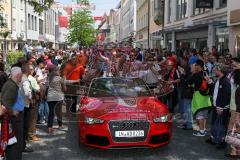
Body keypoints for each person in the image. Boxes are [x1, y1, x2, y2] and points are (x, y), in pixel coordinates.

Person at [206, 63, 231, 148]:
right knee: (214, 122)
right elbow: (216, 90)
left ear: (220, 70)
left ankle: (222, 142)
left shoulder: (226, 81)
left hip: (221, 107)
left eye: (216, 69)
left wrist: (221, 108)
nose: (214, 71)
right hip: (216, 105)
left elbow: (226, 95)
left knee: (222, 124)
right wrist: (210, 82)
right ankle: (213, 139)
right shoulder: (219, 79)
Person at [1, 67, 24, 160]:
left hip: (14, 118)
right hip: (14, 119)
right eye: (21, 75)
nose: (22, 76)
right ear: (18, 75)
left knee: (14, 142)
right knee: (15, 143)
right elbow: (5, 103)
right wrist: (12, 112)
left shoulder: (11, 84)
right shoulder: (11, 86)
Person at [188, 59, 212, 136]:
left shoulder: (196, 75)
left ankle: (201, 131)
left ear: (198, 66)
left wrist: (192, 73)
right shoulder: (206, 73)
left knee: (199, 115)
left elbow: (188, 83)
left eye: (195, 65)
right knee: (204, 115)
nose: (194, 67)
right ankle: (204, 129)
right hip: (206, 96)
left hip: (198, 97)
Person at [225, 69, 240, 158]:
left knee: (234, 132)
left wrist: (237, 117)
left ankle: (234, 152)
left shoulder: (238, 88)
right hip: (235, 110)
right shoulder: (237, 87)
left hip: (236, 111)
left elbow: (238, 105)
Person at [46, 66, 65, 133]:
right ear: (56, 71)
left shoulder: (48, 78)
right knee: (59, 112)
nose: (59, 72)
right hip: (58, 97)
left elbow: (46, 87)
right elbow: (64, 89)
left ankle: (49, 127)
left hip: (50, 97)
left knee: (51, 112)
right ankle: (60, 125)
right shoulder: (60, 79)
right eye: (59, 71)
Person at [20, 64, 34, 152]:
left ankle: (22, 145)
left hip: (21, 104)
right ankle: (23, 146)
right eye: (31, 69)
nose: (32, 71)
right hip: (24, 105)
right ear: (28, 70)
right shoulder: (25, 79)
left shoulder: (21, 77)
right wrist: (30, 97)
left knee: (23, 126)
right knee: (24, 126)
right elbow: (26, 91)